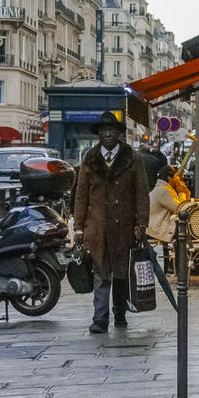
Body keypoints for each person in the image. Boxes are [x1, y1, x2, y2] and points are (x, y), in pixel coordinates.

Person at [74, 111, 150, 333]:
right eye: (103, 131)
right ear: (99, 135)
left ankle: (120, 313)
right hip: (96, 228)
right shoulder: (90, 158)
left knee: (120, 273)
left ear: (118, 134)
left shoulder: (132, 158)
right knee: (100, 272)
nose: (107, 134)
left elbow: (141, 194)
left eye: (111, 131)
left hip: (123, 226)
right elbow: (80, 195)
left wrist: (141, 223)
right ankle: (100, 318)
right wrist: (79, 228)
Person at [147, 165, 190, 274]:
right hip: (156, 228)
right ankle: (180, 266)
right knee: (183, 233)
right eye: (176, 177)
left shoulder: (164, 189)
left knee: (182, 231)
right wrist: (182, 193)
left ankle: (177, 264)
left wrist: (185, 193)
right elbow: (180, 209)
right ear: (169, 178)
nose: (179, 180)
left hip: (157, 225)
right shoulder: (163, 191)